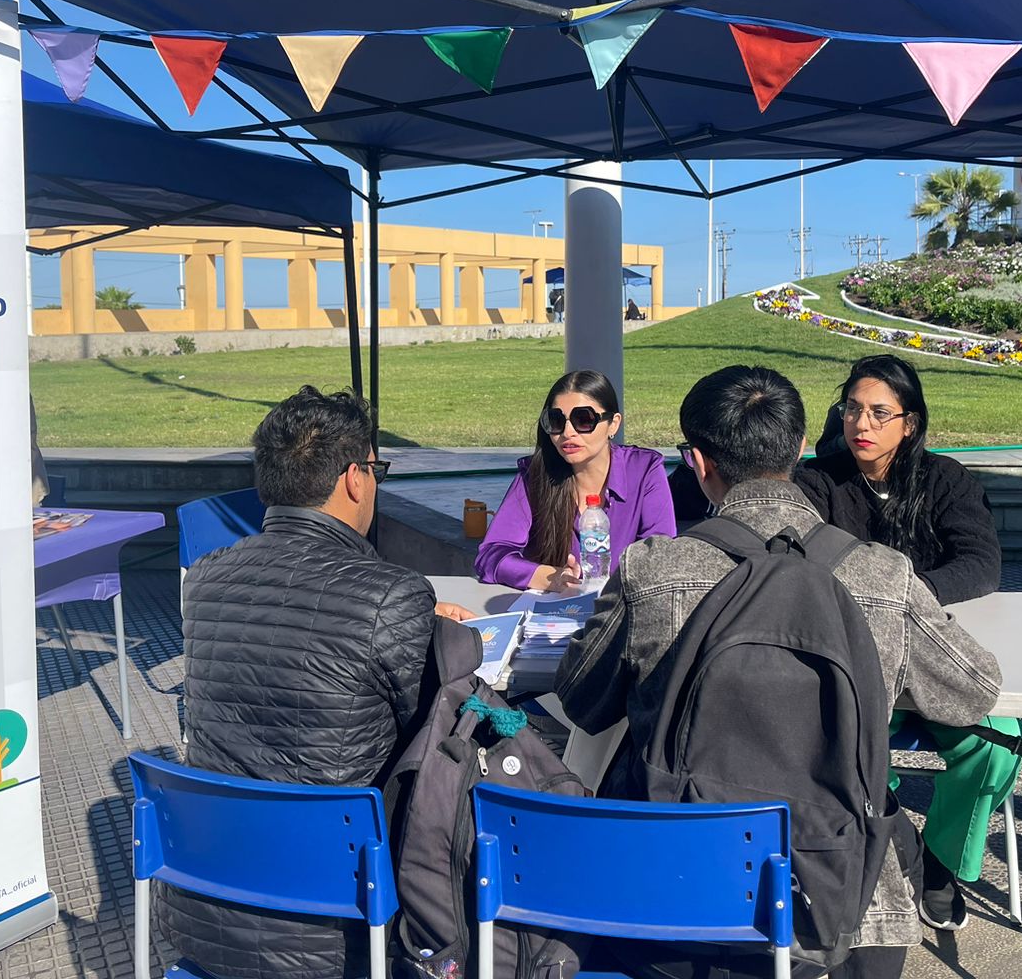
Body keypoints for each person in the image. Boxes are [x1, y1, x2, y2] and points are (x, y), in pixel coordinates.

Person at [556, 366, 1001, 979]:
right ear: (797, 450)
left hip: (672, 892)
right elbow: (974, 690)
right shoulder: (883, 577)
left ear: (698, 462)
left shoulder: (651, 569)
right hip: (845, 904)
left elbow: (582, 701)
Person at [161, 385, 471, 979]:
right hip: (341, 924)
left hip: (206, 904)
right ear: (356, 478)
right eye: (377, 469)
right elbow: (436, 726)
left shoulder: (203, 580)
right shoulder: (391, 595)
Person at [795, 354, 1020, 933]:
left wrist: (904, 596)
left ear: (909, 423)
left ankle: (940, 862)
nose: (861, 425)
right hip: (851, 660)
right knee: (843, 741)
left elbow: (980, 565)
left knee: (1000, 743)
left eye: (879, 413)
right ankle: (886, 839)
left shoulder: (947, 480)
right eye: (851, 409)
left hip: (930, 652)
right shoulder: (817, 482)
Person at [477, 370, 676, 590]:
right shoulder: (534, 475)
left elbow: (660, 557)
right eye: (556, 420)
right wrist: (551, 577)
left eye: (584, 419)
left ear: (613, 424)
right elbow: (491, 555)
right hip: (553, 613)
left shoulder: (644, 470)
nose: (568, 432)